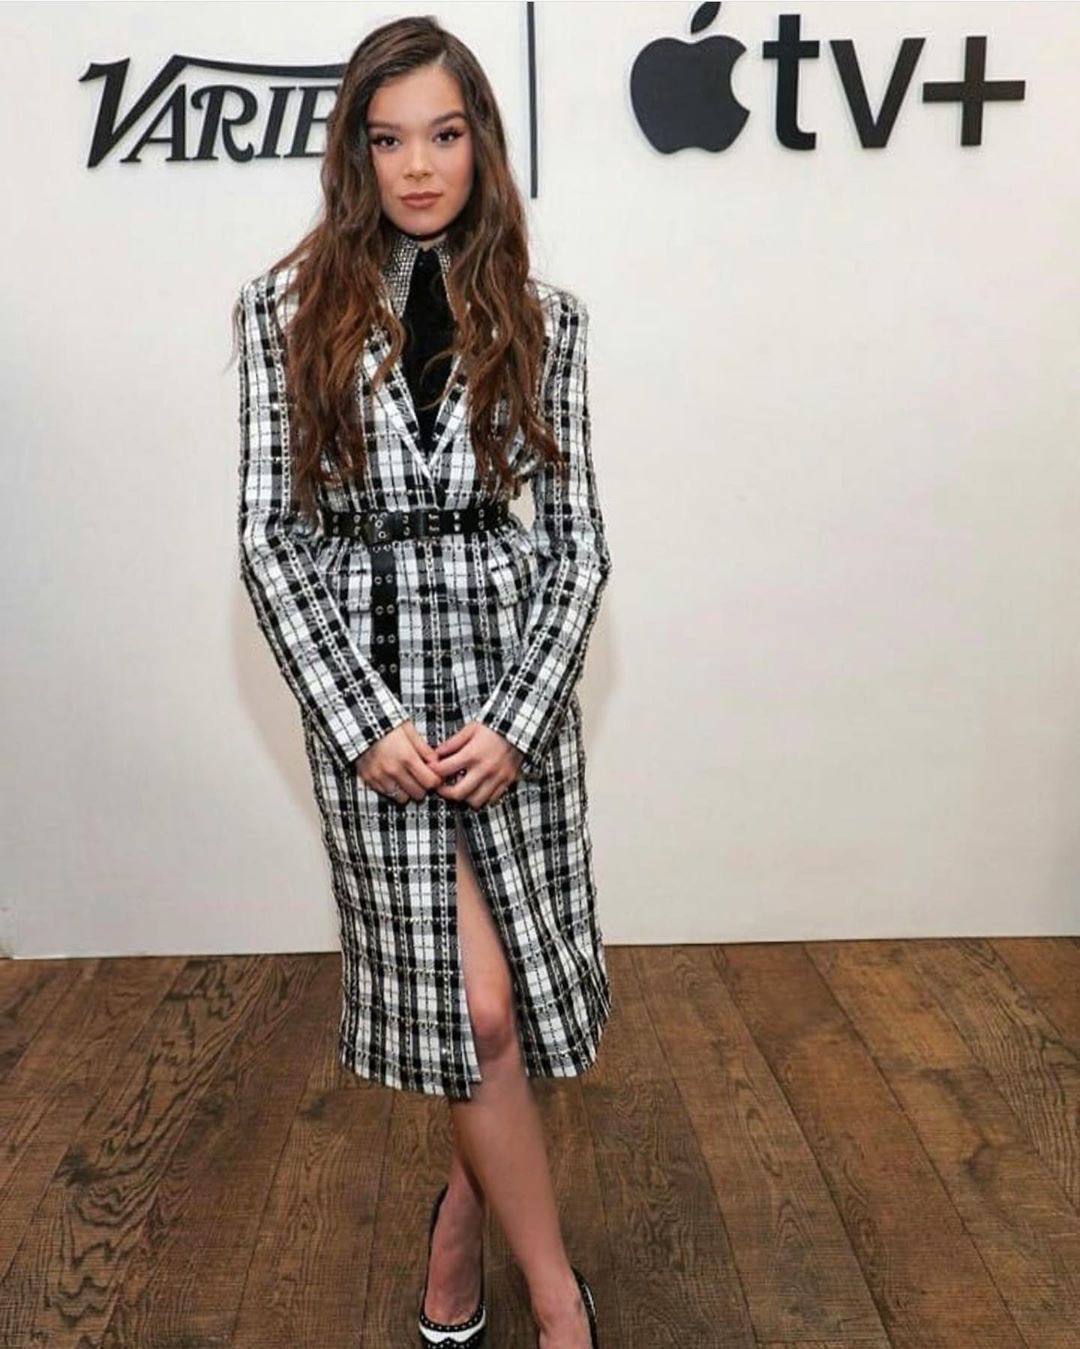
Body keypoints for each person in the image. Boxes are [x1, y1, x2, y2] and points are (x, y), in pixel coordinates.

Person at [233, 16, 610, 1349]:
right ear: (355, 153)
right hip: (378, 710)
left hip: (508, 705)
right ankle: (561, 1307)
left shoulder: (548, 321)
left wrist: (520, 717)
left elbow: (577, 547)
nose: (418, 166)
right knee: (479, 1007)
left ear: (481, 143)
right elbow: (270, 541)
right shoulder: (282, 313)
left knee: (516, 1005)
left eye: (444, 134)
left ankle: (459, 1222)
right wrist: (358, 722)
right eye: (388, 139)